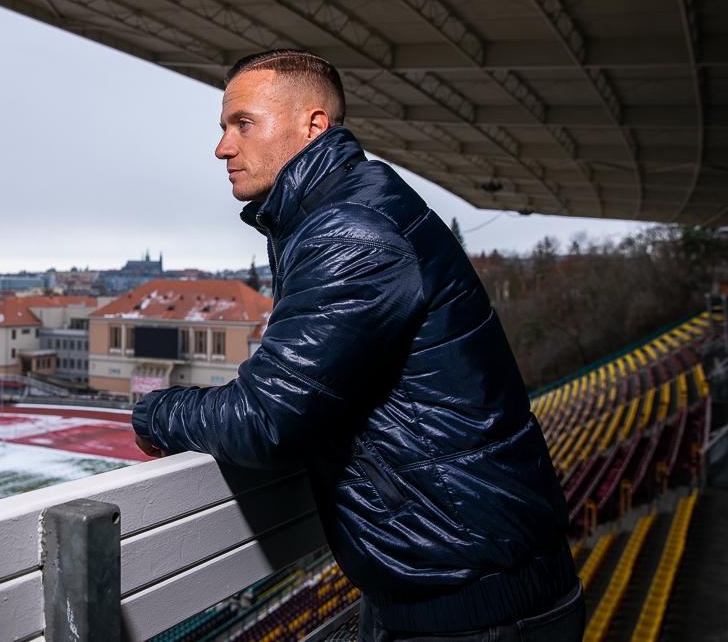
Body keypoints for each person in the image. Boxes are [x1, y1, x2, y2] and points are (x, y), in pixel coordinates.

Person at [132, 50, 584, 641]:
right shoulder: (351, 207)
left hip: (474, 609)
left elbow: (266, 418)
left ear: (312, 126)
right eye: (223, 128)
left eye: (243, 124)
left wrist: (152, 413)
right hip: (455, 587)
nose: (223, 147)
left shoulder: (351, 231)